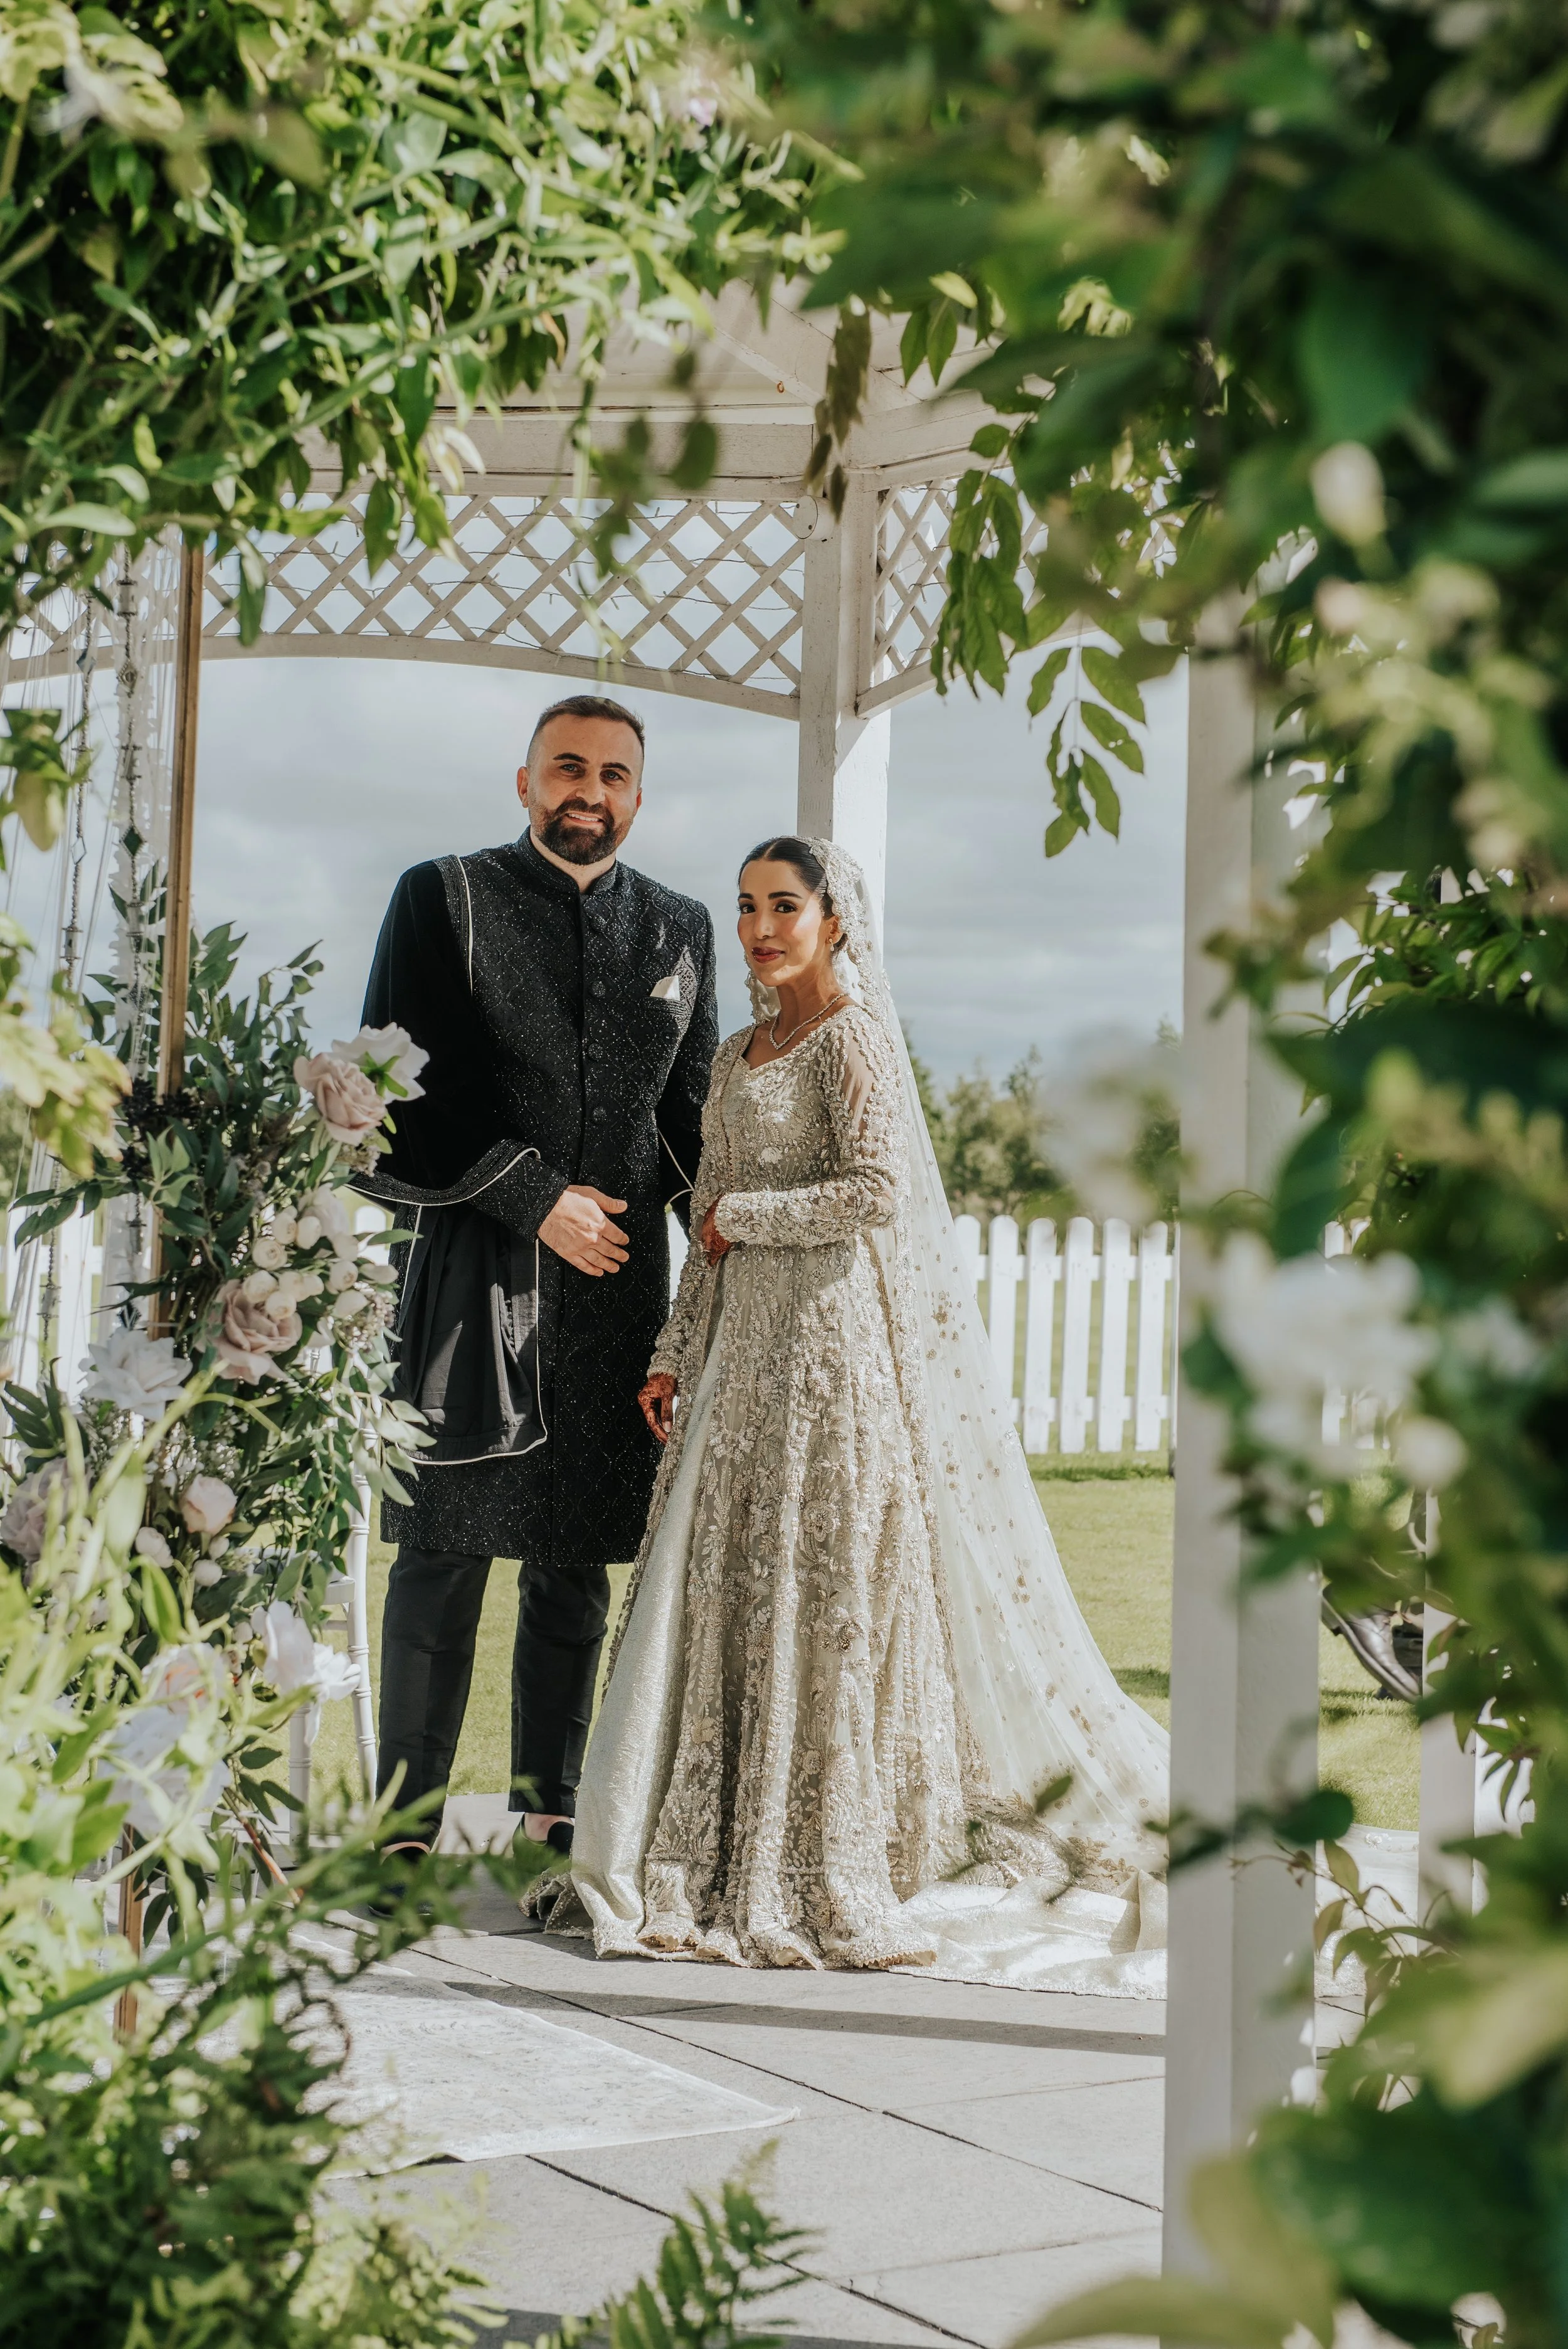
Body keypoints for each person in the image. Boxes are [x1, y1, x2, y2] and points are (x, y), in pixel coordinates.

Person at [563, 836, 1170, 1992]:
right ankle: (714, 1830)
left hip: (833, 1361)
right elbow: (711, 1232)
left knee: (818, 1588)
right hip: (738, 1363)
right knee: (731, 1585)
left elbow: (874, 1195)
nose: (759, 928)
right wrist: (671, 1349)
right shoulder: (738, 1056)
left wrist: (749, 1211)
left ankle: (823, 1845)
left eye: (784, 907)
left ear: (836, 921)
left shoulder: (856, 1042)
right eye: (746, 908)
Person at [359, 695, 718, 1860]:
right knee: (444, 1546)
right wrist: (533, 1200)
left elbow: (690, 1123)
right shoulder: (442, 896)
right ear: (524, 783)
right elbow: (398, 1088)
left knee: (576, 1558)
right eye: (567, 767)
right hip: (476, 1267)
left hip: (620, 1289)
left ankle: (552, 1806)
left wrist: (730, 1225)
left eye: (614, 775)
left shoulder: (682, 926)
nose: (589, 791)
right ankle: (406, 1823)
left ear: (638, 798)